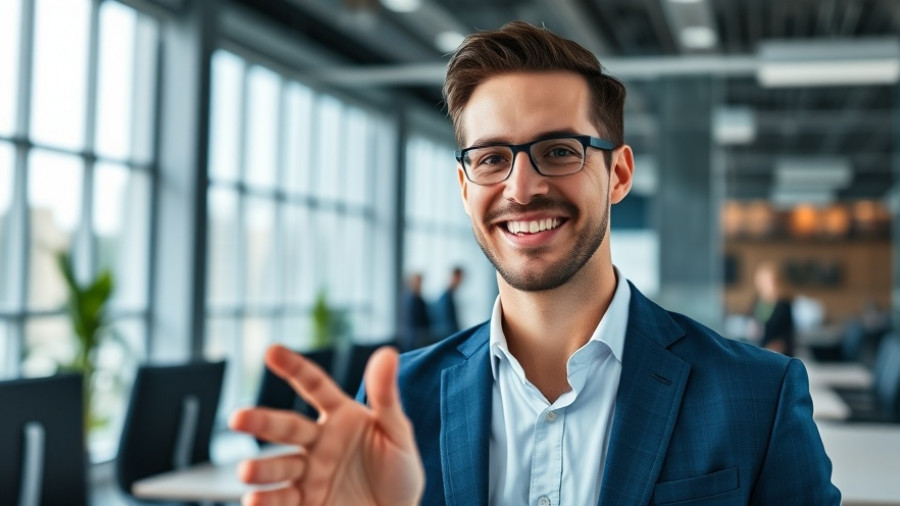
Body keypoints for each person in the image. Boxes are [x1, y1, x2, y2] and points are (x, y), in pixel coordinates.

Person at [229, 21, 840, 505]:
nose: (521, 188)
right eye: (492, 158)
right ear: (465, 187)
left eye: (558, 150)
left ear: (618, 173)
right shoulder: (402, 401)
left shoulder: (756, 395)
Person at [751, 261, 796, 357]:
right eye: (764, 281)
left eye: (769, 281)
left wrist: (779, 345)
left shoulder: (784, 304)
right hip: (760, 350)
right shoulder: (757, 302)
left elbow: (788, 333)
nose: (766, 284)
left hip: (778, 354)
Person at [399, 272, 432, 351]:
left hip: (420, 338)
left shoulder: (419, 299)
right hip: (413, 340)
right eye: (418, 281)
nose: (420, 284)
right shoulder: (409, 300)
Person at [431, 266, 464, 339]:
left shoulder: (448, 296)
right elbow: (448, 325)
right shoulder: (446, 298)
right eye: (460, 278)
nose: (461, 281)